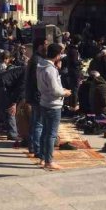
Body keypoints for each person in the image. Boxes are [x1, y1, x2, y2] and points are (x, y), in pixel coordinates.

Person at [36, 43, 70, 171]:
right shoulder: (50, 69)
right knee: (51, 134)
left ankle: (43, 158)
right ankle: (48, 161)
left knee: (45, 132)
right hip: (53, 104)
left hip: (44, 101)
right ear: (57, 55)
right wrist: (65, 92)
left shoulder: (41, 65)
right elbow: (55, 90)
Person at [24, 36, 47, 156]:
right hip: (37, 95)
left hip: (33, 94)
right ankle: (37, 149)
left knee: (35, 122)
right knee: (38, 123)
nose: (47, 47)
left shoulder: (35, 58)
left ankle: (33, 146)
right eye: (45, 44)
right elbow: (37, 80)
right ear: (40, 46)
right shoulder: (37, 60)